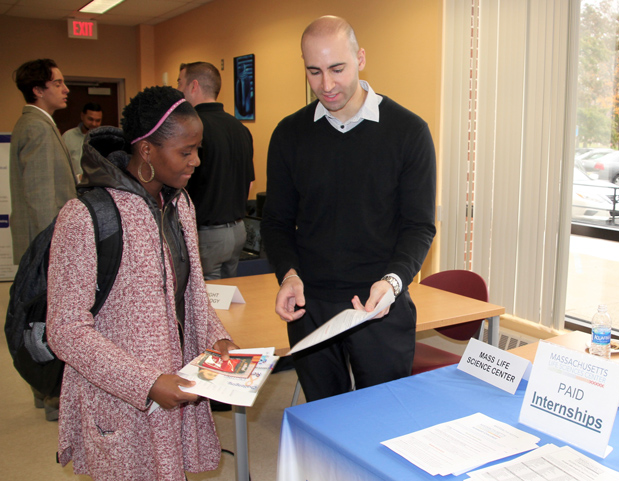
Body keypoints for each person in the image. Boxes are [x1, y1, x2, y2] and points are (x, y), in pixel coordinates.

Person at [46, 86, 239, 480]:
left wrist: (216, 338)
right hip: (120, 397)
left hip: (178, 382)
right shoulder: (85, 216)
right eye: (185, 152)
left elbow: (192, 293)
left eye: (197, 149)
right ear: (147, 150)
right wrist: (147, 382)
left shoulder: (180, 203)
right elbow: (64, 329)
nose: (196, 161)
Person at [261, 16, 436, 402]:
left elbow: (419, 226)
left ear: (360, 58)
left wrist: (393, 282)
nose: (326, 85)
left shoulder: (408, 131)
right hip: (311, 307)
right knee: (325, 422)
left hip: (381, 304)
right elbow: (275, 221)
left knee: (382, 422)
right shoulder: (290, 134)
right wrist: (288, 275)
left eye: (337, 69)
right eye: (314, 71)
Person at [9, 58, 77, 421]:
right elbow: (41, 199)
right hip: (47, 248)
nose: (65, 89)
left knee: (42, 321)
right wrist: (54, 255)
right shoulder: (37, 128)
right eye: (59, 82)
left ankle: (43, 392)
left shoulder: (40, 125)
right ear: (39, 89)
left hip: (44, 246)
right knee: (46, 324)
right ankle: (52, 396)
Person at [178, 61, 254, 280]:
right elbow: (248, 182)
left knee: (208, 303)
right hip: (238, 231)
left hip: (207, 233)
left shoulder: (192, 128)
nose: (179, 90)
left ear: (193, 86)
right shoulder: (240, 129)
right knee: (227, 299)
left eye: (180, 83)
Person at [62, 102, 103, 178]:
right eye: (90, 119)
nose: (94, 124)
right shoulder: (68, 136)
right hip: (73, 184)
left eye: (98, 121)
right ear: (82, 116)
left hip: (96, 185)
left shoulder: (104, 139)